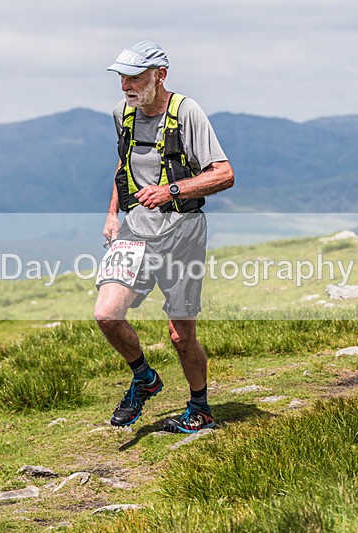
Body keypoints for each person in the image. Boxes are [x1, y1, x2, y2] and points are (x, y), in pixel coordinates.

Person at [94, 40, 234, 433]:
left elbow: (224, 174)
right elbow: (123, 165)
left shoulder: (187, 112)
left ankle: (200, 409)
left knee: (180, 335)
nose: (125, 85)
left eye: (135, 77)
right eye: (121, 77)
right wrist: (111, 214)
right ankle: (143, 377)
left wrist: (171, 191)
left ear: (160, 75)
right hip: (135, 230)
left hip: (183, 233)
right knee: (106, 313)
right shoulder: (123, 113)